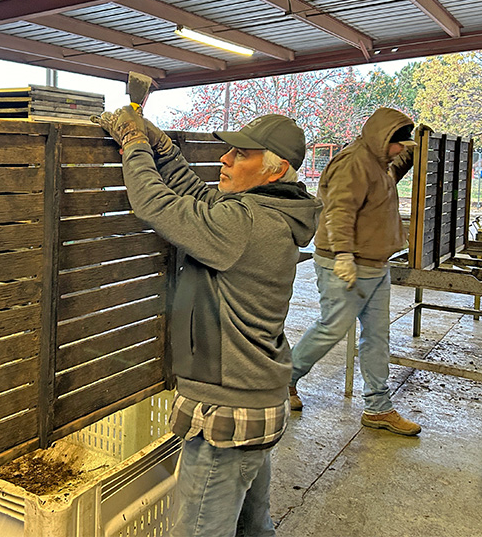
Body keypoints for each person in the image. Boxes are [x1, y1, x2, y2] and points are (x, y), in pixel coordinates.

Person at [96, 108, 320, 537]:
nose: (225, 159)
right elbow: (197, 195)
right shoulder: (269, 210)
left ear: (276, 171)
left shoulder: (246, 224)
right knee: (253, 528)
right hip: (253, 398)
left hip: (228, 411)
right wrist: (163, 150)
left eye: (241, 154)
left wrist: (134, 144)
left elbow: (155, 204)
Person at [288, 107, 422, 436]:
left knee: (377, 336)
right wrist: (344, 254)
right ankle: (283, 380)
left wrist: (418, 146)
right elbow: (338, 211)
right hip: (345, 263)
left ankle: (378, 407)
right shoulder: (353, 163)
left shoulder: (380, 161)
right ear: (383, 139)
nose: (400, 150)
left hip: (375, 264)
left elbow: (395, 165)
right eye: (399, 143)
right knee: (331, 328)